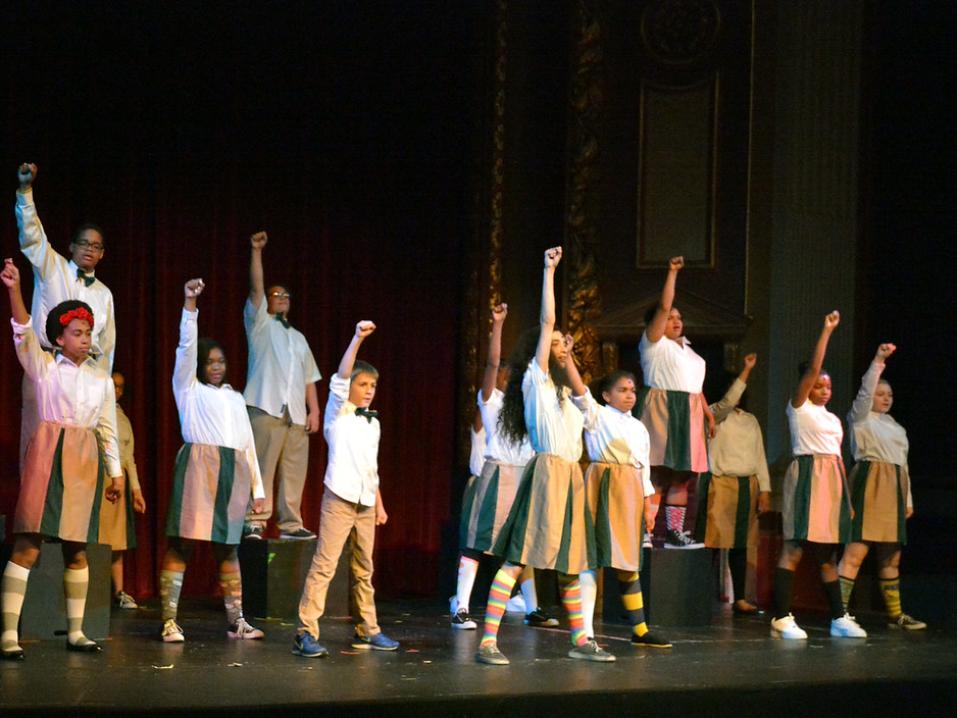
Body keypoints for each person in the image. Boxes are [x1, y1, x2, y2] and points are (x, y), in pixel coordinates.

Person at [477, 247, 613, 665]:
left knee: (571, 565)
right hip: (546, 473)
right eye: (550, 343)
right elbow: (549, 319)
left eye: (562, 345)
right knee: (518, 558)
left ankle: (579, 639)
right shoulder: (535, 384)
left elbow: (588, 402)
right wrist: (548, 271)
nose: (557, 346)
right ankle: (487, 640)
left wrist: (570, 359)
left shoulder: (568, 395)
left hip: (571, 476)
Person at [1, 258, 123, 660]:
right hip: (49, 452)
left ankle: (76, 631)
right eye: (77, 332)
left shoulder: (101, 379)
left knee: (77, 549)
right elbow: (22, 335)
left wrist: (116, 474)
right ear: (60, 337)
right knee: (28, 543)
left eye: (89, 332)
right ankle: (7, 633)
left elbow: (107, 429)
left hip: (85, 460)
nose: (86, 338)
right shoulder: (46, 368)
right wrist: (15, 290)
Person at [158, 279, 266, 643]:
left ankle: (237, 620)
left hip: (233, 471)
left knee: (229, 547)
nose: (216, 367)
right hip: (199, 467)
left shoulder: (235, 398)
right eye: (210, 362)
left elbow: (247, 444)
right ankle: (170, 620)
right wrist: (190, 304)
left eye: (221, 361)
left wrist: (258, 489)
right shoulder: (188, 389)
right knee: (182, 543)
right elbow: (186, 348)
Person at [294, 320, 399, 657]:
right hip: (339, 499)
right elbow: (340, 378)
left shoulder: (375, 423)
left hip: (365, 502)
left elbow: (372, 469)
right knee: (325, 565)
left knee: (363, 568)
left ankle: (368, 629)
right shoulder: (337, 415)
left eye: (373, 385)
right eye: (363, 384)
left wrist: (379, 504)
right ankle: (305, 632)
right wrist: (356, 338)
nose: (369, 390)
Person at [452, 303, 555, 630]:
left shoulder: (534, 405)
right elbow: (493, 363)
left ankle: (532, 608)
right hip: (498, 475)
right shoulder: (493, 400)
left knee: (521, 545)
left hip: (524, 475)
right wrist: (497, 325)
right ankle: (462, 608)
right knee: (477, 541)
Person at [15, 163, 115, 470]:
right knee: (37, 449)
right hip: (47, 366)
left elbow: (106, 346)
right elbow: (32, 237)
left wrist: (104, 387)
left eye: (96, 246)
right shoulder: (52, 267)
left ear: (102, 254)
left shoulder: (104, 294)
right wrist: (25, 191)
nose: (89, 249)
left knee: (79, 456)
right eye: (84, 243)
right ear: (72, 246)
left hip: (85, 377)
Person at [567, 358, 672, 649]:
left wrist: (648, 508)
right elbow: (579, 391)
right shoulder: (597, 415)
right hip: (602, 486)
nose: (630, 395)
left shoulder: (639, 428)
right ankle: (586, 630)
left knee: (628, 561)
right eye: (623, 390)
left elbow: (644, 471)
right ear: (606, 395)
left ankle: (639, 628)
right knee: (592, 558)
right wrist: (567, 362)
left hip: (629, 491)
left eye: (633, 390)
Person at [771, 311, 864, 640]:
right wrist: (826, 331)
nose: (824, 390)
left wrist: (847, 502)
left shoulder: (833, 420)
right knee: (794, 547)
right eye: (818, 385)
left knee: (827, 554)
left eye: (828, 386)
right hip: (808, 475)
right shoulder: (798, 408)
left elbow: (839, 460)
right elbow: (812, 369)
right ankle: (782, 616)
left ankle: (838, 617)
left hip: (832, 481)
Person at [836, 343, 925, 630]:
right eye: (880, 394)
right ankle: (839, 612)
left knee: (891, 555)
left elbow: (904, 466)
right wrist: (878, 361)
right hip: (870, 482)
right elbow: (865, 392)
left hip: (894, 489)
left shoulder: (897, 428)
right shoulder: (860, 419)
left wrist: (907, 499)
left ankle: (895, 615)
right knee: (856, 551)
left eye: (890, 395)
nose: (886, 398)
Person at [242, 231, 322, 540]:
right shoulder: (259, 324)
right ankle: (255, 521)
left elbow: (309, 377)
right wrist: (257, 252)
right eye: (276, 295)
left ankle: (290, 525)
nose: (281, 298)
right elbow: (256, 287)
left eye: (286, 295)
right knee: (262, 467)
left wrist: (313, 410)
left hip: (296, 416)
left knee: (294, 471)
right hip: (265, 406)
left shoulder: (298, 337)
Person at [638, 256, 714, 548]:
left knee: (682, 476)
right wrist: (671, 273)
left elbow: (696, 385)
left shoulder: (690, 351)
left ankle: (673, 531)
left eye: (679, 318)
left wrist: (707, 414)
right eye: (671, 318)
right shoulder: (654, 344)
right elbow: (664, 305)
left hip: (690, 410)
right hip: (664, 408)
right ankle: (646, 530)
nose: (676, 320)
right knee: (658, 472)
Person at [694, 354, 771, 615]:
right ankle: (699, 595)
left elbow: (759, 456)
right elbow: (726, 403)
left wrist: (765, 489)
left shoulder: (750, 420)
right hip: (720, 484)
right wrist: (747, 369)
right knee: (712, 542)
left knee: (741, 544)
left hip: (746, 486)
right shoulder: (715, 413)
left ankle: (740, 598)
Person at [98, 369, 147, 609]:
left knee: (117, 540)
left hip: (120, 481)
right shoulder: (96, 412)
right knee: (98, 538)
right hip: (101, 478)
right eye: (112, 385)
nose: (116, 390)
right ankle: (92, 591)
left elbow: (129, 457)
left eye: (120, 387)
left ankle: (118, 592)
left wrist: (136, 490)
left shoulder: (123, 418)